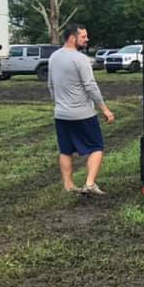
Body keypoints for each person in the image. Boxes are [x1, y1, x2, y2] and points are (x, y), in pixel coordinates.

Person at [47, 23, 115, 195]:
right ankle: (90, 184)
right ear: (72, 37)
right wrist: (105, 109)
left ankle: (69, 186)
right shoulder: (81, 59)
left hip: (61, 114)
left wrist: (59, 104)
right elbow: (90, 86)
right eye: (83, 36)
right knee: (96, 147)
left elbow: (50, 85)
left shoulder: (53, 57)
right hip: (82, 114)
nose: (87, 39)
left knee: (65, 150)